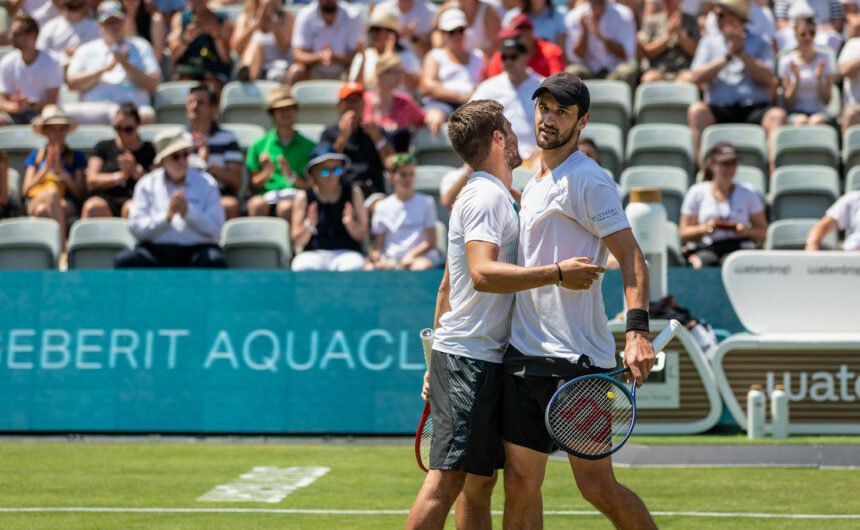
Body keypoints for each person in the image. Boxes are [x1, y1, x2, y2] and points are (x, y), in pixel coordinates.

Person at [405, 98, 605, 530]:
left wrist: (433, 362)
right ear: (498, 139)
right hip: (470, 360)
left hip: (485, 360)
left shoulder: (498, 197)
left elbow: (446, 287)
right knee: (447, 482)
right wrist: (556, 274)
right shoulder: (484, 197)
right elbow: (480, 274)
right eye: (511, 130)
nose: (521, 137)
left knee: (480, 484)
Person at [501, 72, 655, 529]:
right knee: (519, 485)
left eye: (561, 111)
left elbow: (631, 256)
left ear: (581, 120)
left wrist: (637, 332)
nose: (548, 119)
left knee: (596, 488)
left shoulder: (589, 179)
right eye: (544, 107)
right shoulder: (533, 179)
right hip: (525, 357)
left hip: (578, 363)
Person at [686, 0, 785, 168]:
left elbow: (769, 79)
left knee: (777, 115)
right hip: (720, 108)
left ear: (737, 17)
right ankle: (703, 172)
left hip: (755, 108)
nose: (716, 18)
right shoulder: (709, 42)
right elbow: (695, 77)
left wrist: (742, 53)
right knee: (697, 111)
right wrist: (727, 57)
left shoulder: (761, 41)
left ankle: (774, 175)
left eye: (721, 14)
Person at [114, 130, 227, 268]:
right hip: (155, 252)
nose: (182, 160)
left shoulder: (207, 183)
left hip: (197, 250)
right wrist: (166, 217)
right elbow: (136, 229)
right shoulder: (146, 184)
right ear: (162, 161)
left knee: (215, 260)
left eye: (186, 154)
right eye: (175, 156)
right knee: (125, 261)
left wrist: (188, 213)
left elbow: (216, 228)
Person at [65, 0, 160, 125]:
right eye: (109, 22)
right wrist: (106, 68)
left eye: (117, 21)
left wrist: (125, 64)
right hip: (96, 110)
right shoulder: (85, 50)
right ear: (100, 25)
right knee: (64, 116)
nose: (114, 26)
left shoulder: (141, 46)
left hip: (133, 109)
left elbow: (153, 84)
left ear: (125, 21)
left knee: (147, 116)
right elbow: (72, 83)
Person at [679, 142, 767, 268]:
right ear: (711, 165)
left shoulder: (748, 192)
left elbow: (763, 232)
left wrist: (745, 231)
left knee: (736, 263)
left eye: (733, 163)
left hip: (739, 248)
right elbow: (684, 233)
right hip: (707, 248)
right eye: (724, 164)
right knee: (703, 263)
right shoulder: (697, 192)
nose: (729, 169)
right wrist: (705, 229)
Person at [290, 144, 367, 271]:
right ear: (313, 172)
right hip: (313, 253)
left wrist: (350, 225)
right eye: (325, 171)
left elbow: (362, 236)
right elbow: (297, 242)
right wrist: (309, 224)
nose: (331, 175)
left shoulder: (354, 192)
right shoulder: (303, 197)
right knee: (302, 266)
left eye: (336, 169)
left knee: (354, 266)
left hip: (347, 253)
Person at [245, 87, 316, 222]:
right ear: (272, 114)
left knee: (286, 207)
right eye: (280, 110)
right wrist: (266, 173)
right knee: (256, 205)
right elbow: (252, 186)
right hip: (266, 196)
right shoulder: (258, 145)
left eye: (289, 108)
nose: (285, 113)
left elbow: (313, 187)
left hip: (297, 197)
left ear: (295, 111)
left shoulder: (310, 147)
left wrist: (291, 177)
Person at [471, 36, 543, 162]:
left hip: (536, 157)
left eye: (513, 56)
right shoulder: (489, 87)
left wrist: (544, 147)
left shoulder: (544, 86)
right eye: (504, 57)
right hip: (499, 157)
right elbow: (469, 117)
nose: (508, 61)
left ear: (526, 56)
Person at [366, 154, 442, 271]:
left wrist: (411, 255)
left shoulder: (427, 202)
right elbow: (379, 245)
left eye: (411, 174)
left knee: (419, 267)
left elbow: (431, 241)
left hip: (421, 258)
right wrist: (377, 256)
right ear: (391, 178)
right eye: (402, 175)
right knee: (370, 268)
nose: (408, 179)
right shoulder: (381, 206)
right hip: (391, 260)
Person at [22, 105, 87, 239]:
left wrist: (61, 171)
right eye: (53, 129)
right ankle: (62, 250)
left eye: (62, 129)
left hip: (66, 203)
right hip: (38, 199)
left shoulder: (77, 156)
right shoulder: (35, 156)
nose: (58, 134)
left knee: (43, 211)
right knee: (52, 194)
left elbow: (79, 193)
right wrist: (46, 169)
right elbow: (26, 191)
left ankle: (48, 253)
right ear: (45, 131)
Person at [320, 81, 394, 197]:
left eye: (357, 101)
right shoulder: (329, 134)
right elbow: (325, 167)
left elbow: (391, 165)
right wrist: (342, 138)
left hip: (371, 190)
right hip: (341, 192)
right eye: (348, 101)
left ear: (363, 104)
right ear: (339, 105)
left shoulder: (375, 131)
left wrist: (378, 140)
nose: (353, 106)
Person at [81, 103, 154, 219]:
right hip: (106, 201)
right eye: (118, 128)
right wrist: (120, 177)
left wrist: (136, 172)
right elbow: (91, 181)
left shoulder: (150, 150)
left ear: (138, 126)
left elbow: (158, 183)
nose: (123, 133)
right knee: (92, 207)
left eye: (128, 129)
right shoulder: (103, 147)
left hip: (136, 200)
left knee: (132, 208)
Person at [421, 8, 486, 136]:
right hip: (440, 105)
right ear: (443, 34)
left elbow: (485, 84)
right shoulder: (435, 56)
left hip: (472, 108)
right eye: (452, 32)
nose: (457, 36)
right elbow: (427, 86)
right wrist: (461, 97)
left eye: (460, 31)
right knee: (435, 119)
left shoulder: (478, 56)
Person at [184, 84, 243, 220]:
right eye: (190, 102)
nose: (194, 106)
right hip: (185, 195)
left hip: (218, 195)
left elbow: (236, 182)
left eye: (200, 103)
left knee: (230, 205)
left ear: (213, 108)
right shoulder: (177, 139)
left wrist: (211, 168)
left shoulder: (228, 139)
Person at [0, 14, 64, 126]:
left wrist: (30, 104)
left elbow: (52, 103)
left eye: (16, 34)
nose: (11, 37)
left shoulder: (52, 62)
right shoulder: (6, 62)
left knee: (46, 125)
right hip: (13, 114)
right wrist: (16, 107)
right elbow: (2, 101)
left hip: (41, 114)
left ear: (32, 36)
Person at [286, 0, 363, 85]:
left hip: (344, 72)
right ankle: (288, 98)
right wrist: (318, 57)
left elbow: (357, 56)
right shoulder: (305, 14)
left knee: (357, 69)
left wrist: (334, 58)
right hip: (313, 72)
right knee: (296, 71)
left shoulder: (353, 15)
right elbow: (297, 54)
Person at [777, 15, 835, 127]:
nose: (808, 37)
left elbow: (827, 101)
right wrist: (797, 80)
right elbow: (788, 103)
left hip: (820, 113)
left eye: (812, 33)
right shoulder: (786, 61)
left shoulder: (826, 59)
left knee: (816, 122)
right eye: (803, 34)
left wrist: (819, 79)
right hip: (795, 113)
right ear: (795, 35)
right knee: (801, 121)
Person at [564, 0, 638, 86]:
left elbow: (628, 53)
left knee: (626, 72)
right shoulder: (574, 16)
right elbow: (575, 56)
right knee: (572, 72)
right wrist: (585, 32)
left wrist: (601, 36)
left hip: (614, 72)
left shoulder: (624, 14)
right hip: (588, 73)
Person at [363, 53, 426, 153]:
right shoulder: (363, 100)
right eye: (394, 72)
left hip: (396, 162)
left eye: (401, 72)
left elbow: (423, 121)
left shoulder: (405, 102)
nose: (400, 76)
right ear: (380, 74)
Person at [167, 0, 232, 92]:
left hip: (214, 73)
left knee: (211, 87)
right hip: (187, 71)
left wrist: (217, 36)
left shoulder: (222, 19)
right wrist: (186, 40)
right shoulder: (180, 18)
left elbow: (226, 59)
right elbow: (173, 56)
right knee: (183, 87)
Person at [348, 8, 421, 92]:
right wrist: (363, 59)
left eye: (377, 29)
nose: (373, 34)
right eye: (372, 30)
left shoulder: (407, 56)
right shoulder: (363, 56)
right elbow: (354, 87)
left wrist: (391, 58)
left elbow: (413, 85)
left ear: (391, 33)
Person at [230, 0, 293, 82]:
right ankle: (248, 74)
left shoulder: (286, 17)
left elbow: (284, 47)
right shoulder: (244, 18)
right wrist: (256, 24)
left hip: (276, 68)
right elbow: (236, 47)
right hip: (251, 65)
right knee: (255, 46)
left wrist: (272, 22)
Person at [486, 12, 564, 78]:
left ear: (529, 33)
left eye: (516, 37)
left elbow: (557, 83)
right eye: (509, 37)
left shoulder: (550, 51)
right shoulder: (503, 55)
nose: (512, 41)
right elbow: (493, 83)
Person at [638, 0, 699, 83]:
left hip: (682, 71)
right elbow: (646, 52)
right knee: (649, 79)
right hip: (657, 71)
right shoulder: (652, 21)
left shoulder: (691, 21)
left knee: (689, 79)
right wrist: (668, 37)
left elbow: (696, 52)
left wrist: (680, 33)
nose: (667, 2)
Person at [36, 0, 100, 65]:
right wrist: (63, 60)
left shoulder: (97, 28)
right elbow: (39, 58)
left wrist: (79, 53)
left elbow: (102, 55)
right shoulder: (49, 28)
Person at [435, 0, 501, 58]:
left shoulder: (488, 11)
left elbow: (497, 45)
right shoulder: (448, 7)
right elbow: (436, 31)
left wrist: (474, 60)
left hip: (483, 66)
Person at [774, 0, 843, 54]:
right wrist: (800, 29)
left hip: (822, 31)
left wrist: (815, 30)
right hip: (793, 31)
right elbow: (780, 22)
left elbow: (837, 23)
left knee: (826, 40)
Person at [373, 0, 438, 57]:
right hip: (388, 62)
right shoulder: (382, 9)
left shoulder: (430, 12)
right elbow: (375, 46)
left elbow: (430, 53)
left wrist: (413, 38)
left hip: (418, 65)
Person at [502, 0, 567, 50]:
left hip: (547, 63)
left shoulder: (560, 14)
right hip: (519, 65)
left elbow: (560, 50)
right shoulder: (511, 16)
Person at [839, 35, 860, 134]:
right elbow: (844, 71)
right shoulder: (854, 44)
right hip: (855, 105)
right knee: (851, 114)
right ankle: (846, 149)